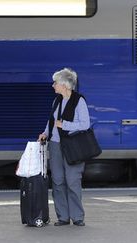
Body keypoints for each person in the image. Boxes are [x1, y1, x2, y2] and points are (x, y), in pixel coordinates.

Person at [38, 68, 90, 227]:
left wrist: (65, 125)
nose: (53, 85)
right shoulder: (57, 101)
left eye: (56, 83)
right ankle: (63, 217)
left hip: (73, 146)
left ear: (65, 85)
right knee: (58, 181)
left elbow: (85, 124)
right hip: (55, 145)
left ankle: (77, 217)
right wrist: (45, 133)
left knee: (73, 181)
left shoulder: (79, 100)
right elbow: (52, 121)